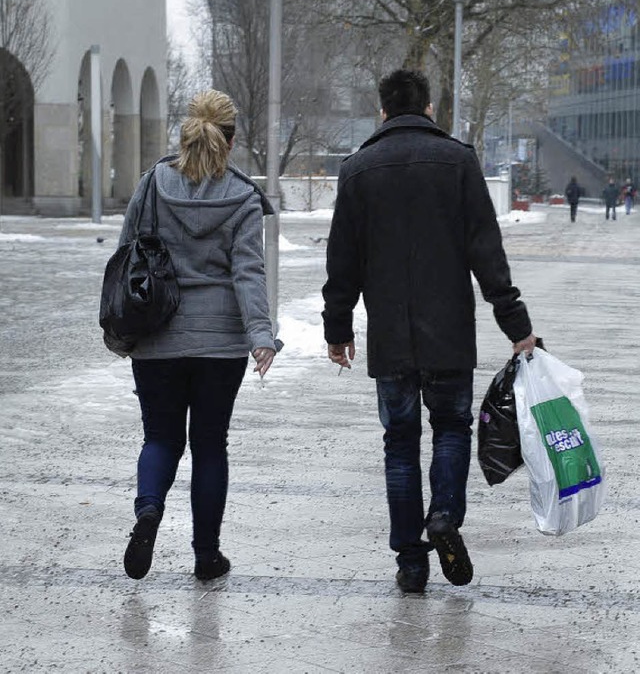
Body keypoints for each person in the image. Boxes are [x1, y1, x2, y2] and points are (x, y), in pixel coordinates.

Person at [321, 69, 535, 594]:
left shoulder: (357, 170)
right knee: (451, 429)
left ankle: (410, 562)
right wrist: (517, 325)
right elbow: (487, 251)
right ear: (430, 107)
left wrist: (338, 327)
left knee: (398, 443)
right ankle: (443, 516)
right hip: (449, 332)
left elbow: (342, 260)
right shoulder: (458, 162)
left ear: (382, 111)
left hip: (390, 333)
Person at [119, 90, 277, 581]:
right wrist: (261, 334)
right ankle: (206, 555)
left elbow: (127, 253)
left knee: (161, 437)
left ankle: (148, 512)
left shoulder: (152, 184)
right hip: (220, 342)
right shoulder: (243, 196)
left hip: (157, 334)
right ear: (231, 140)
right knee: (210, 445)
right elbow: (248, 271)